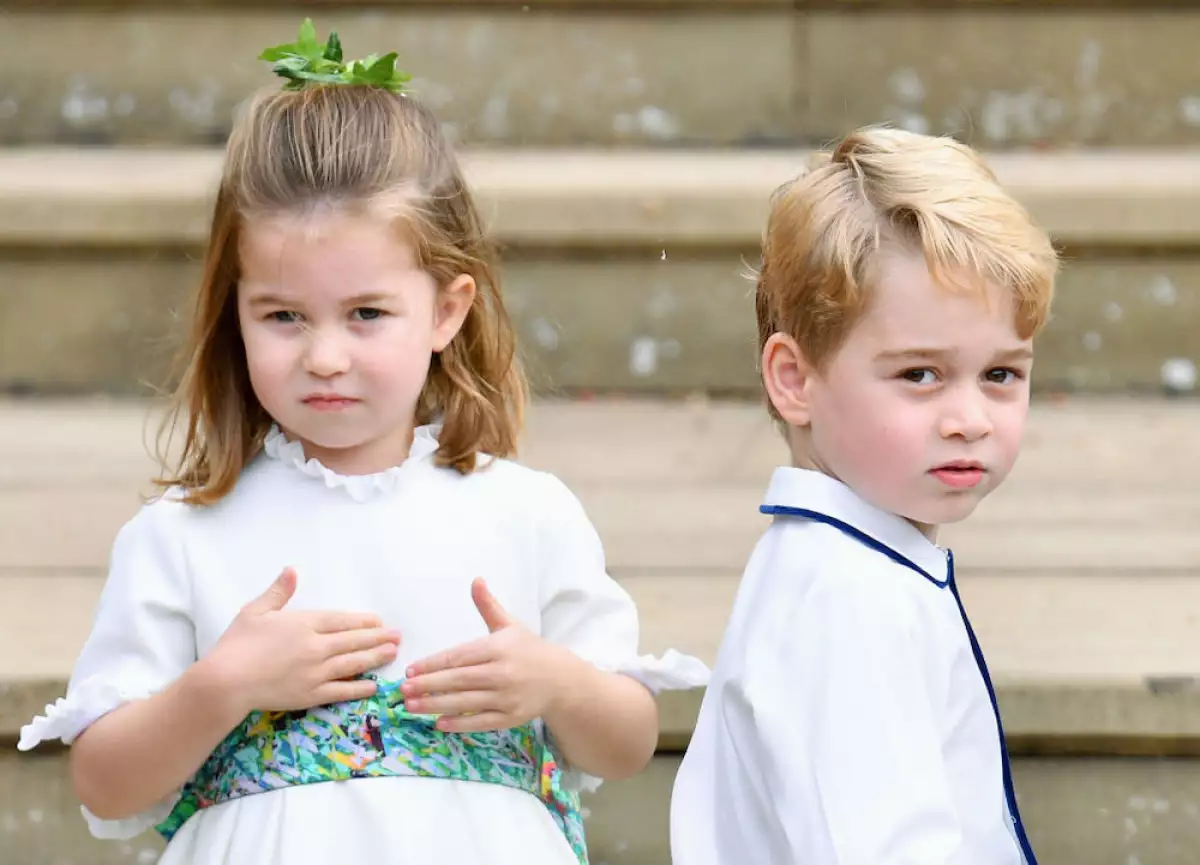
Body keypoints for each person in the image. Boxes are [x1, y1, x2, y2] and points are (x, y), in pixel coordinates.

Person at [19, 21, 707, 865]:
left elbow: (627, 742)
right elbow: (105, 780)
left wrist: (554, 682)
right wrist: (224, 684)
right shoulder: (185, 535)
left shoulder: (523, 512)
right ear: (234, 314)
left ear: (446, 312)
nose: (325, 356)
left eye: (367, 314)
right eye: (282, 316)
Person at [669, 126, 1058, 865]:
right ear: (794, 379)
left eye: (1001, 374)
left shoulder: (855, 568)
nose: (969, 419)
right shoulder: (844, 600)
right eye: (920, 374)